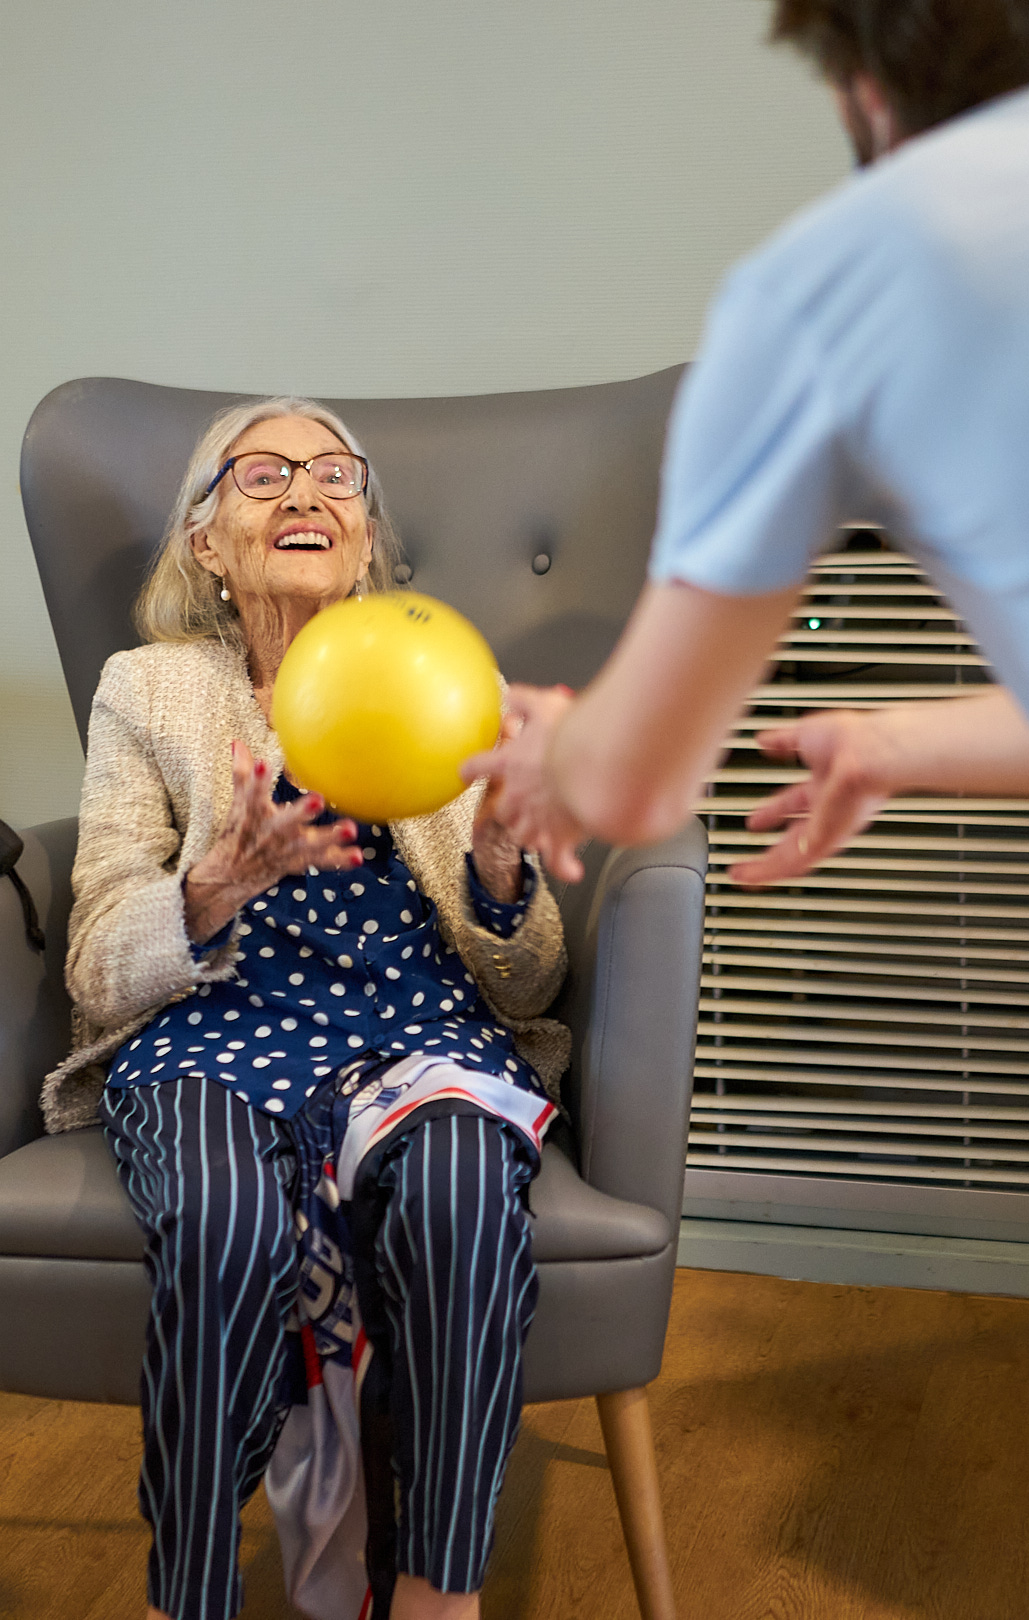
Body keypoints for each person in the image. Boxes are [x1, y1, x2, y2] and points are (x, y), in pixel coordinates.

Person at [43, 397, 570, 1620]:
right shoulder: (151, 691)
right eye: (262, 473)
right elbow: (96, 961)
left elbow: (532, 981)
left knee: (455, 1188)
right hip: (213, 1032)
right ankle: (195, 1591)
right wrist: (213, 885)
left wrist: (500, 868)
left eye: (336, 475)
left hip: (419, 1031)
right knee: (221, 1216)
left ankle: (443, 1590)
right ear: (206, 543)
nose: (305, 494)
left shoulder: (448, 673)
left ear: (367, 536)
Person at [464, 0, 1029, 882]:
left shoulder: (821, 288)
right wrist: (892, 742)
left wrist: (556, 757)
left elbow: (635, 789)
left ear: (859, 92)